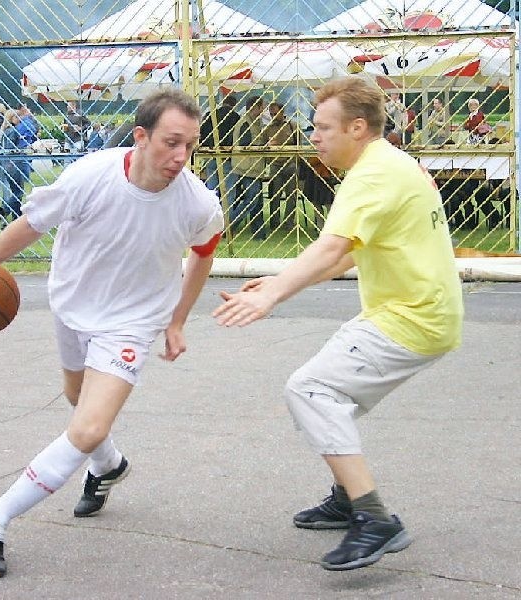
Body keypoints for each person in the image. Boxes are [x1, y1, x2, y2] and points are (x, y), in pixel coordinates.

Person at [0, 88, 224, 578]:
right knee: (76, 396)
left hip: (132, 321)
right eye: (172, 143)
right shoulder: (91, 176)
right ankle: (109, 467)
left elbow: (204, 254)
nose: (181, 157)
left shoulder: (196, 203)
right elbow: (31, 225)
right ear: (141, 136)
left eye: (190, 145)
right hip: (73, 303)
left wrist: (177, 319)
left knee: (87, 427)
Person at [214, 77, 463, 571]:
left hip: (411, 318)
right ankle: (347, 497)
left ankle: (374, 519)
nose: (313, 135)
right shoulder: (386, 164)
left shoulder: (373, 174)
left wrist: (272, 298)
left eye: (322, 126)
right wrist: (277, 280)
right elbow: (346, 252)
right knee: (331, 395)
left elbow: (332, 247)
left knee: (311, 390)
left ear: (357, 126)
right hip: (419, 311)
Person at [230, 96, 267, 240]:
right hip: (248, 167)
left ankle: (259, 234)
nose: (263, 110)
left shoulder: (254, 122)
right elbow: (246, 145)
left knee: (257, 202)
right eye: (261, 107)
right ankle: (227, 226)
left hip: (253, 167)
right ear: (254, 107)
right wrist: (264, 146)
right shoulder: (245, 123)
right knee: (251, 200)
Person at [200, 93, 240, 202]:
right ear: (234, 105)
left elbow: (201, 133)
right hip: (227, 156)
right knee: (228, 192)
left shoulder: (210, 114)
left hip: (210, 154)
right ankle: (225, 217)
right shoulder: (235, 117)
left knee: (212, 190)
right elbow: (236, 136)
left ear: (223, 103)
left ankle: (212, 214)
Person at [265, 102, 298, 231]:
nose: (273, 116)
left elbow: (298, 144)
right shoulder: (268, 128)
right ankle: (274, 223)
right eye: (271, 114)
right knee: (275, 195)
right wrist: (269, 160)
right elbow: (264, 145)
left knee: (292, 196)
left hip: (290, 164)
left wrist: (295, 162)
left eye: (275, 113)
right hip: (275, 165)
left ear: (282, 111)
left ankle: (289, 223)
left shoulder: (292, 125)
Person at [0, 109, 26, 220]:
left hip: (5, 164)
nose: (19, 119)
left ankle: (17, 217)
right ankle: (4, 209)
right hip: (13, 164)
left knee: (15, 191)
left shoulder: (4, 131)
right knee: (18, 192)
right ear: (11, 118)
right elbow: (11, 149)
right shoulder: (13, 131)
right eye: (16, 117)